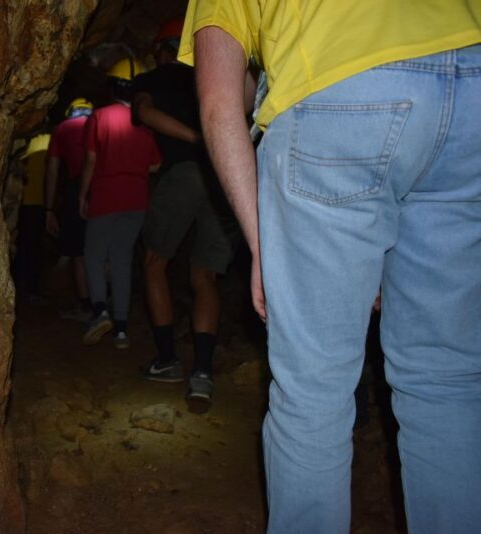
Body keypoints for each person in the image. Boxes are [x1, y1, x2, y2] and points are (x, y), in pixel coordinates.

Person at [180, 1, 481, 532]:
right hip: (472, 93)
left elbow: (218, 103)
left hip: (340, 96)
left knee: (314, 395)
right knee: (445, 383)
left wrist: (264, 242)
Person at [133, 20, 238, 406]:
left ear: (161, 50)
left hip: (186, 171)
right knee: (205, 276)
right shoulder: (211, 75)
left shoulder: (153, 78)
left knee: (154, 262)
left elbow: (145, 114)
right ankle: (203, 373)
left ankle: (167, 360)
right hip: (224, 177)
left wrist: (195, 139)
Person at [79, 57, 161, 349]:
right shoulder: (146, 123)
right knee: (122, 259)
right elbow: (154, 166)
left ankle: (100, 310)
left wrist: (82, 194)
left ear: (112, 88)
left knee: (94, 254)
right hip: (136, 198)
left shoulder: (100, 117)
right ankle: (122, 329)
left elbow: (90, 159)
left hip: (106, 194)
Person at [45, 99, 94, 321]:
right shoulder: (99, 124)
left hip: (77, 188)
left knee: (77, 251)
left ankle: (86, 306)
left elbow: (53, 169)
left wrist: (49, 208)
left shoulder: (62, 129)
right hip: (105, 185)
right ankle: (105, 303)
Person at [13, 132, 50, 304]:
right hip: (37, 200)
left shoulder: (23, 141)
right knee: (32, 248)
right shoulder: (49, 140)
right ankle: (29, 289)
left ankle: (21, 289)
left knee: (21, 247)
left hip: (20, 200)